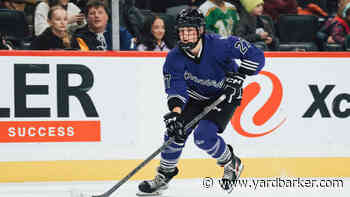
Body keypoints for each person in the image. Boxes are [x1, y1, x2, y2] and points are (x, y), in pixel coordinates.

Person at [137, 8, 265, 196]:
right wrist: (175, 114)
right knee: (175, 131)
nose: (186, 36)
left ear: (201, 31)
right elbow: (176, 89)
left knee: (204, 136)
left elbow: (257, 56)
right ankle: (165, 174)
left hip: (225, 96)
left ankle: (231, 163)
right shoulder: (174, 58)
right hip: (195, 97)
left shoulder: (221, 45)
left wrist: (239, 76)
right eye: (182, 31)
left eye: (190, 31)